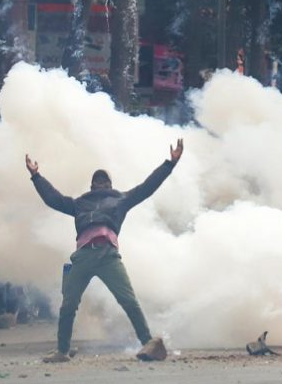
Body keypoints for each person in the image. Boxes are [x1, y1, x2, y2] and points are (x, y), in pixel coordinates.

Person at [26, 140, 183, 363]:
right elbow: (53, 199)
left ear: (109, 184)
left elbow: (148, 187)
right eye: (97, 181)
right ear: (92, 186)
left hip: (107, 255)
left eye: (103, 180)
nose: (100, 184)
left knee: (128, 300)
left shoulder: (121, 199)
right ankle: (62, 351)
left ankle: (149, 342)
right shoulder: (80, 203)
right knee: (68, 305)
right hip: (82, 257)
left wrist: (170, 164)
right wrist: (36, 176)